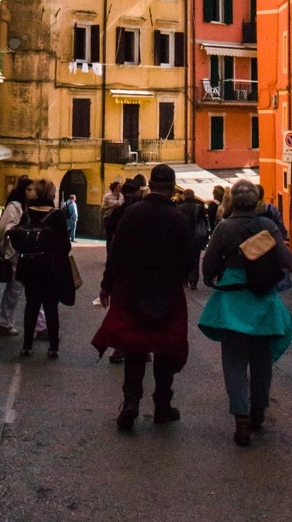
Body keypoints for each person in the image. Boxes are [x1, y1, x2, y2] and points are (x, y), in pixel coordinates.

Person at [93, 164, 193, 431]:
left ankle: (131, 402)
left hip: (132, 288)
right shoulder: (179, 218)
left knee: (135, 347)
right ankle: (162, 406)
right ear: (172, 187)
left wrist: (106, 285)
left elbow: (116, 251)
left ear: (150, 184)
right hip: (167, 291)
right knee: (164, 350)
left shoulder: (133, 213)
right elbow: (188, 260)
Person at [199, 178, 292, 446]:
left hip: (232, 298)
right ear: (256, 202)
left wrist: (210, 278)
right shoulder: (267, 225)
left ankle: (241, 417)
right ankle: (258, 411)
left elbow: (209, 263)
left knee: (234, 361)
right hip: (262, 298)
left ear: (232, 202)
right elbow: (286, 260)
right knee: (262, 359)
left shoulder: (224, 227)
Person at [12, 178, 73, 358]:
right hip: (50, 268)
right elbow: (65, 245)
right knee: (51, 307)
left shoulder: (28, 213)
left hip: (29, 267)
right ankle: (53, 347)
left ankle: (27, 345)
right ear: (51, 194)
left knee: (31, 305)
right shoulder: (57, 215)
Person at [102, 179, 144, 361]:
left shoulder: (130, 212)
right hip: (128, 269)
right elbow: (112, 243)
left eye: (131, 191)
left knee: (128, 310)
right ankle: (124, 348)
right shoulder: (120, 212)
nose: (128, 195)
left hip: (134, 269)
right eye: (126, 192)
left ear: (138, 192)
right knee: (124, 310)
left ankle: (132, 348)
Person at [0, 176, 36, 337]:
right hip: (12, 253)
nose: (32, 193)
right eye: (28, 189)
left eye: (33, 190)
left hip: (20, 253)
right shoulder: (14, 207)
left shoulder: (25, 206)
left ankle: (5, 321)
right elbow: (4, 228)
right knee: (14, 289)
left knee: (16, 289)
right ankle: (4, 322)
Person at [177, 189, 208, 289]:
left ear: (184, 196)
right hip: (196, 236)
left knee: (183, 257)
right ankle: (193, 281)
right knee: (195, 258)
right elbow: (204, 222)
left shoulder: (179, 208)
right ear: (193, 196)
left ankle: (184, 279)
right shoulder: (199, 207)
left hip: (183, 236)